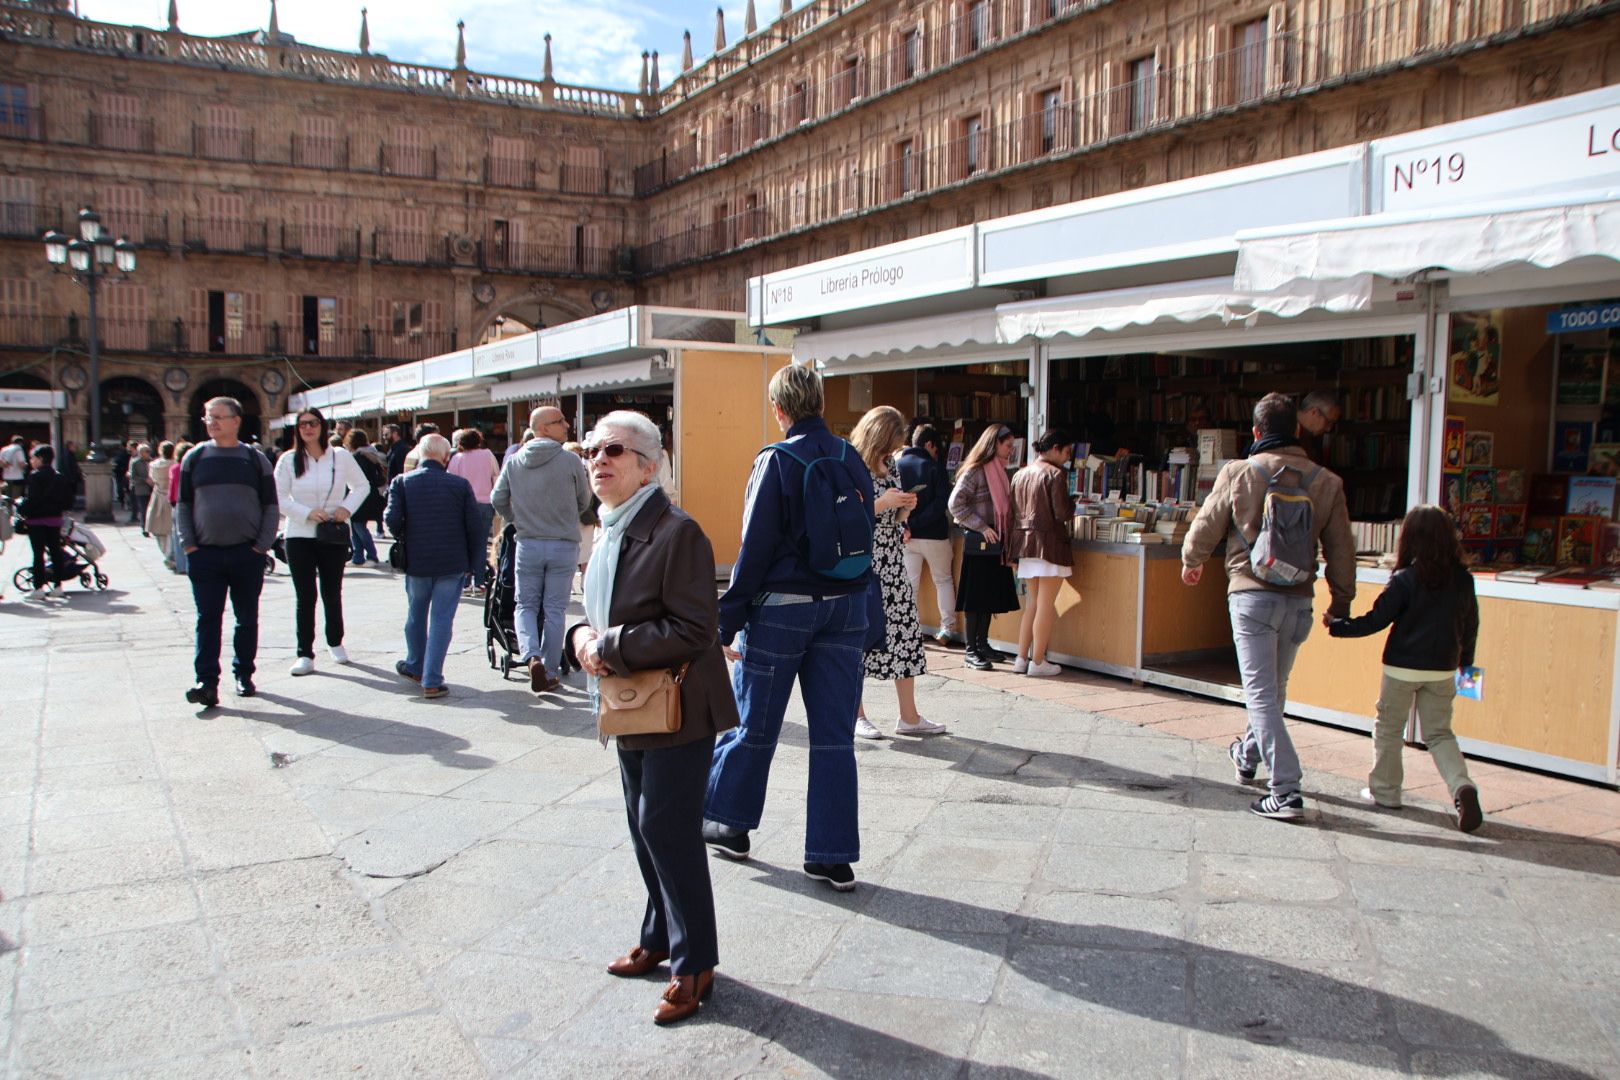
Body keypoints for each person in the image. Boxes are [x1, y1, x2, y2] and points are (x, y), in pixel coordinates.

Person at [564, 410, 738, 1026]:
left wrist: (604, 646)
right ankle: (661, 938)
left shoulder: (675, 531)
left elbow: (695, 628)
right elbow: (595, 609)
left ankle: (696, 965)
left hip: (677, 707)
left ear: (649, 464)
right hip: (631, 704)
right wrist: (581, 636)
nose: (598, 461)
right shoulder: (610, 528)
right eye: (590, 451)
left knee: (666, 828)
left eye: (614, 450)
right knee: (644, 827)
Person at [703, 364, 874, 892]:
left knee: (755, 722)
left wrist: (726, 620)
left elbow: (754, 549)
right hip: (847, 606)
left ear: (779, 409)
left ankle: (729, 823)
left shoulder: (776, 460)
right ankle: (831, 855)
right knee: (834, 734)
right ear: (820, 402)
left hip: (783, 608)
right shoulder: (851, 457)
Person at [1181, 392, 1356, 821]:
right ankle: (1246, 754)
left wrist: (1192, 561)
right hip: (1299, 600)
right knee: (1274, 692)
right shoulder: (1327, 482)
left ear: (1256, 432)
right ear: (1297, 430)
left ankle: (1286, 789)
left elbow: (1206, 525)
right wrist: (1342, 599)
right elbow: (1341, 549)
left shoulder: (1239, 472)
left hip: (1251, 595)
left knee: (1260, 696)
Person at [1327, 505, 1484, 832]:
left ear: (1410, 538)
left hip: (1401, 668)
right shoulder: (1463, 580)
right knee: (1440, 734)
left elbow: (1376, 621)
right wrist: (1466, 670)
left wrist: (1339, 626)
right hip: (1442, 669)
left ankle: (1385, 791)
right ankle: (1462, 788)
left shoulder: (1405, 579)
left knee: (1388, 728)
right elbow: (1471, 628)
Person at [176, 397, 279, 708]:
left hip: (246, 554)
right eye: (209, 418)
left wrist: (261, 546)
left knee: (246, 618)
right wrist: (189, 544)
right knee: (207, 619)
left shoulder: (254, 458)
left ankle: (243, 674)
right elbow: (183, 505)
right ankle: (206, 682)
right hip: (205, 555)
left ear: (237, 421)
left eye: (220, 417)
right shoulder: (194, 458)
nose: (213, 423)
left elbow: (271, 507)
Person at [850, 406, 939, 740]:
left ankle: (909, 716)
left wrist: (904, 511)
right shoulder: (852, 466)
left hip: (892, 559)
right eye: (891, 443)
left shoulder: (890, 466)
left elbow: (893, 518)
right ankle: (856, 714)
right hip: (865, 562)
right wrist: (883, 504)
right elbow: (846, 513)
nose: (893, 451)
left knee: (906, 632)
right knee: (861, 637)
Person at [492, 406, 590, 694]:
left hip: (528, 541)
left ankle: (530, 654)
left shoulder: (514, 462)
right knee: (555, 608)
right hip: (563, 542)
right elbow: (584, 500)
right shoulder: (570, 461)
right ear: (544, 428)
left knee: (525, 605)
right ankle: (548, 669)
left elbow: (497, 499)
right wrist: (565, 515)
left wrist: (518, 518)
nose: (567, 425)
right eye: (560, 421)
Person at [384, 433, 483, 699]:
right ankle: (431, 679)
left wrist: (407, 532)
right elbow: (475, 527)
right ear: (445, 457)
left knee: (416, 614)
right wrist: (476, 565)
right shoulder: (459, 485)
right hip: (452, 561)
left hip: (417, 561)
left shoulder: (402, 482)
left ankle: (415, 665)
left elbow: (391, 520)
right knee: (441, 619)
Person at [276, 408, 369, 677]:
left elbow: (361, 486)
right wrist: (305, 513)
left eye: (313, 423)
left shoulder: (340, 457)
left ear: (322, 426)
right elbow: (279, 497)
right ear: (297, 429)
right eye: (303, 424)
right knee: (305, 595)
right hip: (299, 534)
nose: (308, 428)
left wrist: (346, 508)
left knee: (332, 590)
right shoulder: (289, 460)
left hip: (332, 532)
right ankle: (304, 653)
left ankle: (335, 641)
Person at [947, 424, 1020, 671]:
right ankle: (971, 650)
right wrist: (981, 526)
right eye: (1007, 445)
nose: (1011, 450)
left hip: (995, 540)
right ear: (994, 444)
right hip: (981, 541)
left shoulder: (1000, 471)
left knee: (988, 596)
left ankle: (983, 644)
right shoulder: (976, 471)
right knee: (975, 597)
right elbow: (955, 503)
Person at [1007, 430, 1076, 677]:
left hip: (1025, 544)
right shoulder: (1056, 474)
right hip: (1049, 545)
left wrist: (1011, 552)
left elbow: (1011, 514)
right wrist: (1074, 503)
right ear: (1055, 448)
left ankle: (1021, 658)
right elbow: (1062, 513)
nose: (1068, 458)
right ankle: (1038, 661)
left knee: (1033, 604)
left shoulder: (1020, 474)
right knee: (1046, 605)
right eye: (1067, 452)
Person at [895, 424, 955, 645]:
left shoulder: (897, 465)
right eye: (936, 448)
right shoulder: (934, 468)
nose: (936, 453)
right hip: (934, 535)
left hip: (907, 536)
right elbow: (941, 503)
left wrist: (907, 524)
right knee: (943, 580)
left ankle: (908, 628)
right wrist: (919, 522)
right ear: (929, 444)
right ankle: (947, 629)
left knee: (910, 584)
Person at [448, 428, 501, 593]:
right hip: (485, 503)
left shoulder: (456, 458)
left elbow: (451, 483)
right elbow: (496, 477)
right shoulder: (487, 455)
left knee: (463, 543)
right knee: (480, 543)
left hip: (463, 505)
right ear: (479, 440)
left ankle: (464, 581)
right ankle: (479, 581)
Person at [20, 445, 70, 601]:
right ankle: (58, 586)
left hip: (37, 520)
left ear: (40, 458)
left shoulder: (35, 476)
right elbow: (67, 500)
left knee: (38, 554)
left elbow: (33, 499)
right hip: (55, 520)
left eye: (32, 457)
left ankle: (38, 588)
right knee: (55, 552)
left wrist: (21, 509)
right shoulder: (59, 476)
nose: (31, 461)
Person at [345, 430, 388, 566]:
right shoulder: (370, 454)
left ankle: (371, 556)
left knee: (358, 526)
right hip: (370, 495)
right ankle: (358, 557)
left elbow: (356, 480)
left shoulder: (358, 458)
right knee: (356, 525)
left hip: (362, 497)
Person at [564, 441, 600, 593]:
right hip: (582, 517)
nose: (579, 457)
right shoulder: (584, 471)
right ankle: (579, 584)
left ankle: (580, 583)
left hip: (581, 518)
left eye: (580, 454)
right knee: (581, 552)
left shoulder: (579, 471)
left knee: (581, 552)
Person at [146, 441, 176, 563]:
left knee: (158, 526)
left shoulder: (154, 465)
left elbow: (152, 479)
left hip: (158, 495)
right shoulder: (175, 464)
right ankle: (171, 553)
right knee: (171, 527)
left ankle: (165, 552)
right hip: (172, 496)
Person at [168, 440, 193, 574]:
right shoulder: (195, 466)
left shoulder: (175, 468)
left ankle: (181, 565)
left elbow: (172, 487)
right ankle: (190, 564)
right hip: (193, 502)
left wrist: (171, 500)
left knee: (178, 535)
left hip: (178, 503)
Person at [1297, 390, 1341, 466]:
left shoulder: (1312, 435)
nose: (1329, 429)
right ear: (1314, 412)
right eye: (1328, 422)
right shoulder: (1285, 431)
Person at [129, 443, 154, 534]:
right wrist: (145, 480)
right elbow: (133, 477)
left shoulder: (153, 461)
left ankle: (151, 527)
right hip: (141, 490)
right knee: (144, 509)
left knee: (152, 509)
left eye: (149, 451)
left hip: (152, 489)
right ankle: (144, 528)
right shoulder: (135, 463)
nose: (148, 453)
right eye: (146, 451)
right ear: (141, 452)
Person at [0, 435, 27, 501]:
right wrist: (26, 465)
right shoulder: (19, 449)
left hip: (6, 477)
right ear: (21, 443)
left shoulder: (3, 449)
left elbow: (0, 464)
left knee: (7, 498)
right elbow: (21, 464)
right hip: (17, 478)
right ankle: (14, 511)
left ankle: (8, 511)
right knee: (16, 499)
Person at [112, 441, 132, 510]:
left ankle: (127, 503)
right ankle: (125, 503)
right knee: (122, 490)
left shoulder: (128, 454)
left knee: (126, 490)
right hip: (121, 474)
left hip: (124, 474)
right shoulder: (121, 454)